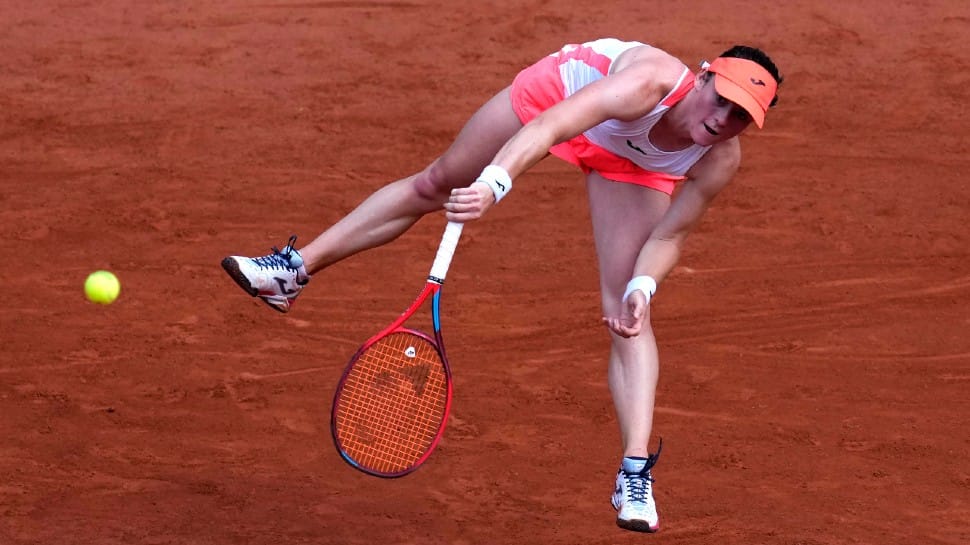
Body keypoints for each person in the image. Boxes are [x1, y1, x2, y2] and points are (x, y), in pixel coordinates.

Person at [221, 37, 782, 533]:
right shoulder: (647, 83)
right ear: (704, 75)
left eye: (741, 116)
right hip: (556, 100)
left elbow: (669, 237)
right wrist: (493, 184)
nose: (723, 119)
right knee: (439, 182)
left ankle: (634, 473)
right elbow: (550, 127)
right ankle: (293, 271)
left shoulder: (718, 158)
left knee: (626, 312)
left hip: (631, 167)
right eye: (722, 100)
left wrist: (645, 285)